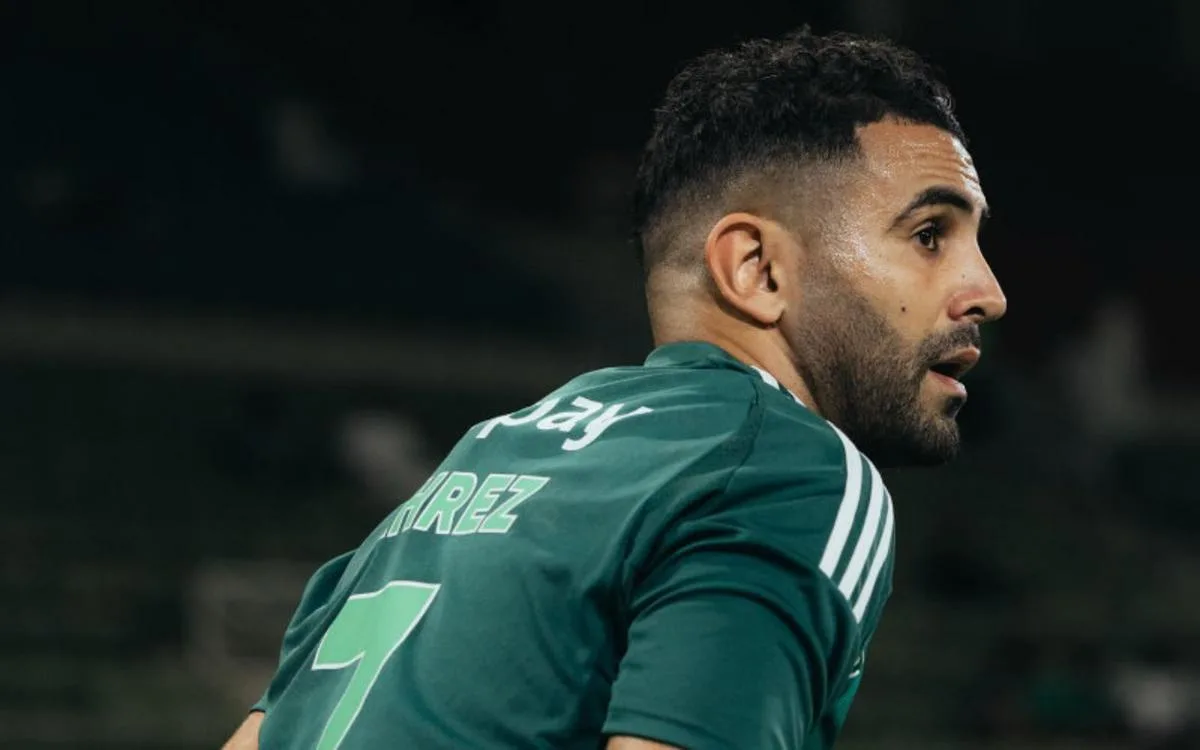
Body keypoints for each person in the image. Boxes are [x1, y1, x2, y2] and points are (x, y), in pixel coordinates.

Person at [223, 26, 1005, 750]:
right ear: (757, 269)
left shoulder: (479, 462)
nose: (988, 292)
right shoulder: (785, 469)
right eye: (928, 235)